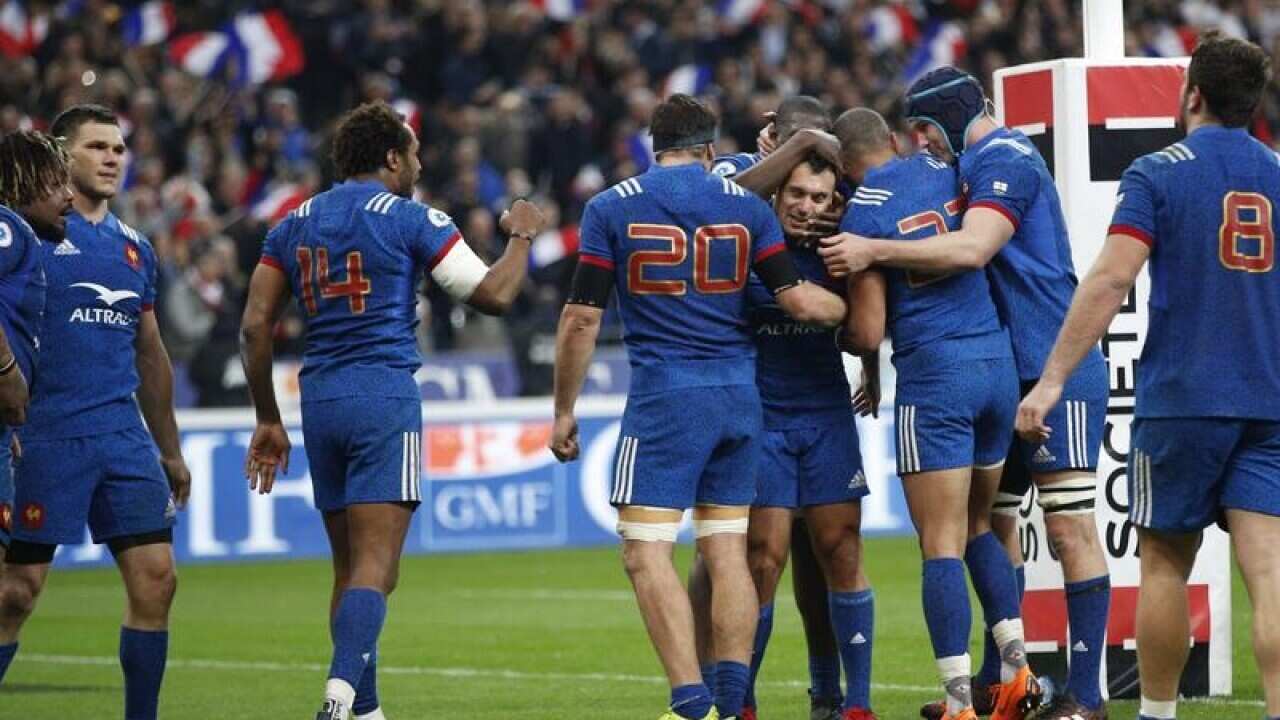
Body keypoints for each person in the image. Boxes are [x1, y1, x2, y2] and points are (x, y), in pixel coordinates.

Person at [818, 67, 1112, 720]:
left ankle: (1088, 697)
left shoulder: (1002, 156)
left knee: (1066, 530)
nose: (922, 142)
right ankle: (998, 679)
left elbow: (976, 249)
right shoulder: (963, 167)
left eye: (925, 128)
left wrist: (870, 249)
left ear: (944, 119)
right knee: (993, 526)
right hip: (1009, 367)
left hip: (1054, 362)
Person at [240, 101, 544, 720]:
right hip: (382, 395)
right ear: (390, 158)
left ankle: (367, 709)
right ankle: (339, 697)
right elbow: (493, 294)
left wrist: (268, 419)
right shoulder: (412, 219)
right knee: (377, 570)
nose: (420, 163)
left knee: (349, 569)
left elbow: (253, 327)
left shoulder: (291, 223)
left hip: (317, 399)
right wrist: (522, 235)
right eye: (413, 153)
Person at [548, 93, 847, 720]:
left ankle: (690, 703)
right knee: (726, 551)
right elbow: (797, 302)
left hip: (665, 397)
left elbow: (580, 319)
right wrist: (853, 306)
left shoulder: (610, 208)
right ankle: (732, 700)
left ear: (653, 147)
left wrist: (564, 410)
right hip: (741, 398)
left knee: (646, 551)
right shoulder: (748, 207)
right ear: (712, 148)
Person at [1016, 32, 1280, 720]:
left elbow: (1110, 280)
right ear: (1253, 105)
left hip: (1182, 401)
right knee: (1272, 574)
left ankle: (1157, 715)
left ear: (1191, 93)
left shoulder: (1157, 173)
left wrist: (1050, 383)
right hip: (1270, 399)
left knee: (1165, 563)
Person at [836, 107, 1032, 720]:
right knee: (979, 526)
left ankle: (957, 703)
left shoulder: (860, 214)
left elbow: (867, 331)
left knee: (940, 543)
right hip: (995, 364)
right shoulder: (943, 166)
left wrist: (831, 324)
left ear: (844, 166)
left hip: (936, 378)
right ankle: (1017, 671)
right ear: (892, 141)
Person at [0, 105, 192, 720]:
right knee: (15, 593)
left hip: (120, 436)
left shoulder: (135, 249)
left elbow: (151, 353)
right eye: (97, 147)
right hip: (45, 435)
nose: (113, 158)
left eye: (119, 147)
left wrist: (170, 448)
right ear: (61, 156)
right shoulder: (32, 235)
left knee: (157, 579)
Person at [695, 96, 875, 720]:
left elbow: (872, 317)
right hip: (762, 415)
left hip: (825, 411)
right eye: (797, 194)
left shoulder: (843, 246)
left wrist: (872, 367)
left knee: (841, 547)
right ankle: (739, 701)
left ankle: (852, 705)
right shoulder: (747, 236)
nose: (807, 206)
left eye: (820, 199)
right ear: (779, 188)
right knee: (763, 558)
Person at [0, 130, 71, 574]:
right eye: (55, 183)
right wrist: (6, 370)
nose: (68, 196)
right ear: (20, 181)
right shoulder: (8, 227)